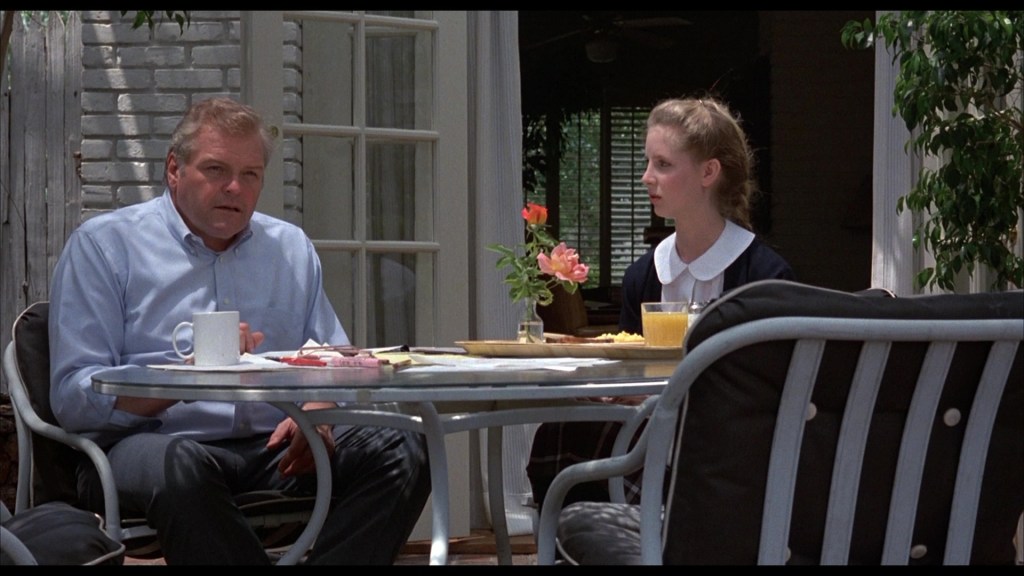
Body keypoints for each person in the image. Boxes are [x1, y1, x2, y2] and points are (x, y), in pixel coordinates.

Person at [48, 97, 431, 565]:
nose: (234, 187)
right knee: (180, 465)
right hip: (152, 446)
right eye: (216, 170)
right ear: (174, 169)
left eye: (250, 174)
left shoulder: (289, 248)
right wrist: (187, 375)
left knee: (403, 444)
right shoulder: (106, 247)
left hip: (271, 447)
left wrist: (318, 411)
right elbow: (72, 398)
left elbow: (332, 359)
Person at [527, 95, 794, 512]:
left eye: (663, 165)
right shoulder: (644, 275)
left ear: (709, 172)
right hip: (648, 436)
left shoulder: (765, 276)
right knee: (562, 429)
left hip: (732, 454)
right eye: (648, 163)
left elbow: (770, 393)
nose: (646, 177)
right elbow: (631, 372)